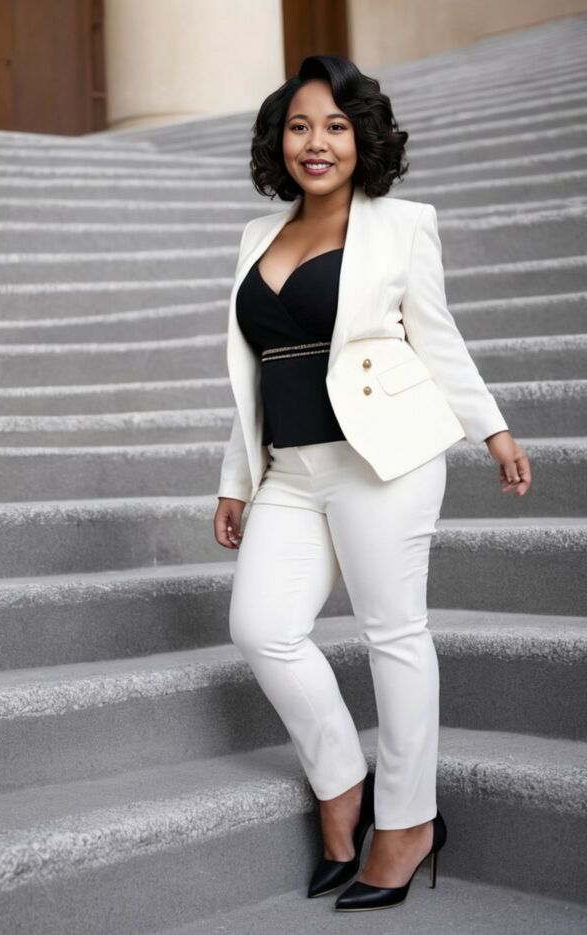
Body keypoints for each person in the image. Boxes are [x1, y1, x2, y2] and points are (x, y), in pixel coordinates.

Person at [213, 54, 531, 912]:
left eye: (335, 126)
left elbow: (437, 334)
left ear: (363, 139)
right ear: (279, 141)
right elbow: (255, 371)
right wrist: (237, 478)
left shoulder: (402, 225)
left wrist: (493, 428)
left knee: (394, 634)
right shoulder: (258, 235)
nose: (316, 143)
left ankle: (409, 821)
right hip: (290, 469)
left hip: (383, 460)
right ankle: (341, 782)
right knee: (261, 627)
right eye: (299, 127)